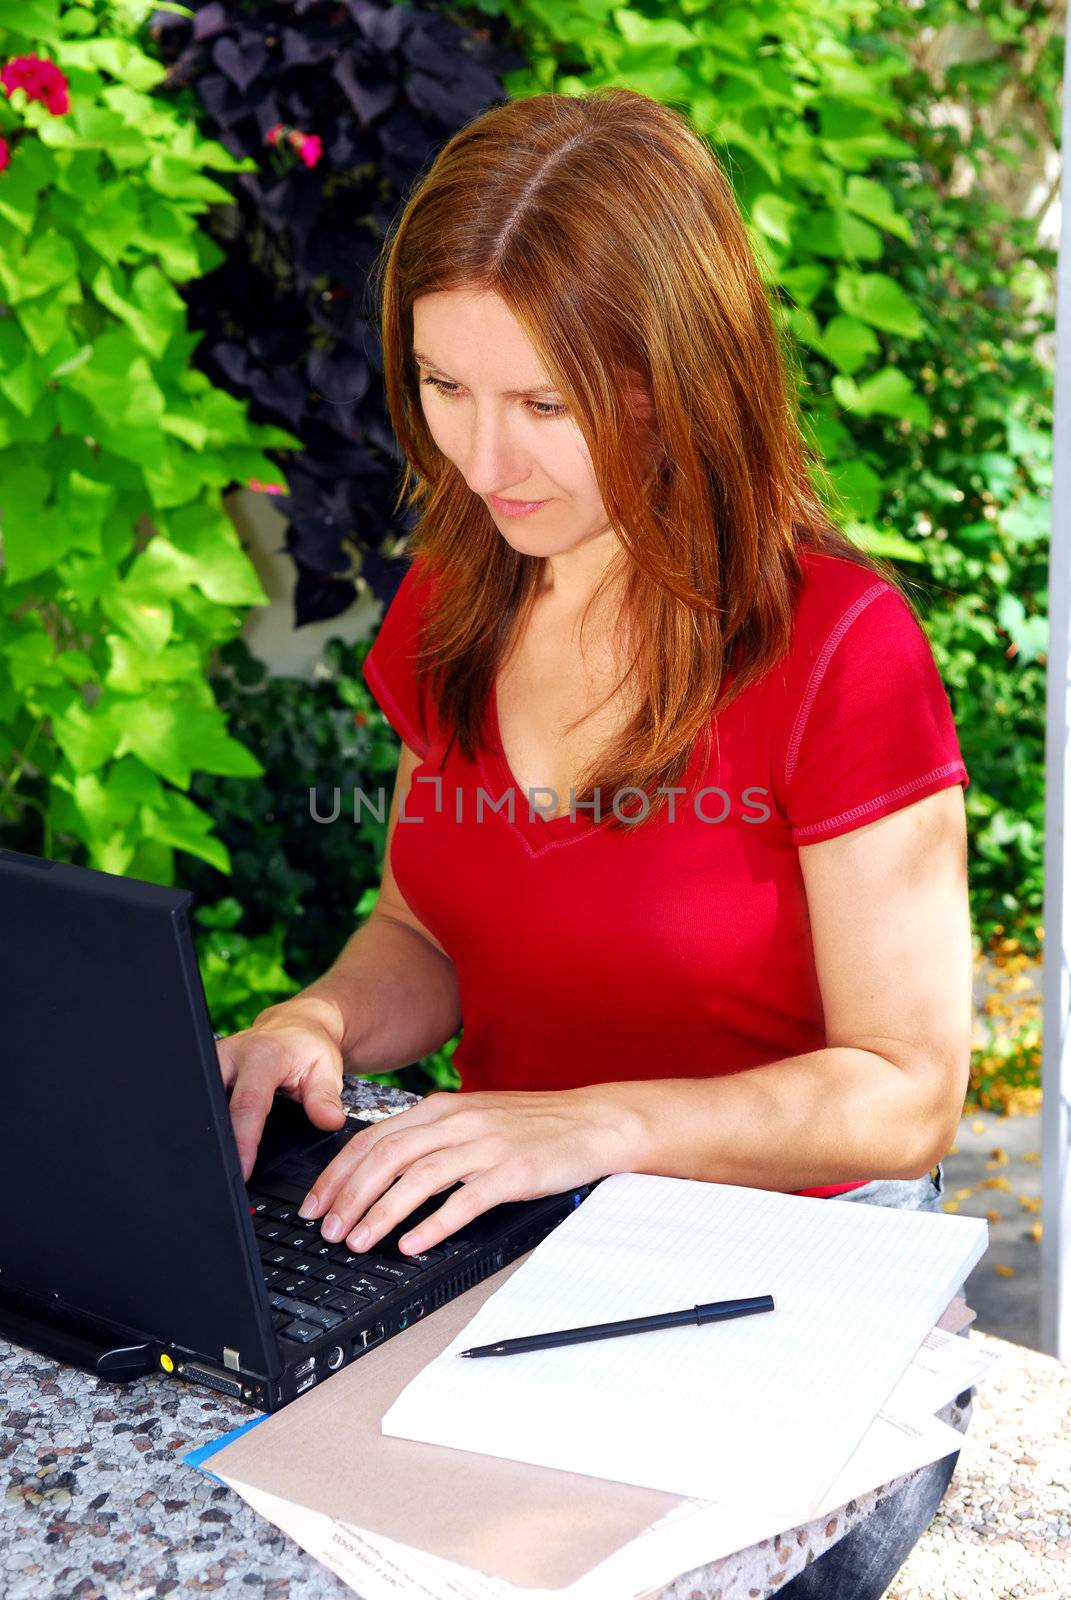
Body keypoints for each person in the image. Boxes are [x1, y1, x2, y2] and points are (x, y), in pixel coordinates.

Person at [217, 88, 973, 1596]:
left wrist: (597, 1125)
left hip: (789, 1282)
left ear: (674, 377)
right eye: (444, 387)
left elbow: (907, 1096)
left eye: (544, 404)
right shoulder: (462, 596)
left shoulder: (841, 649)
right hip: (512, 1249)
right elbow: (423, 932)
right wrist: (321, 1017)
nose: (487, 459)